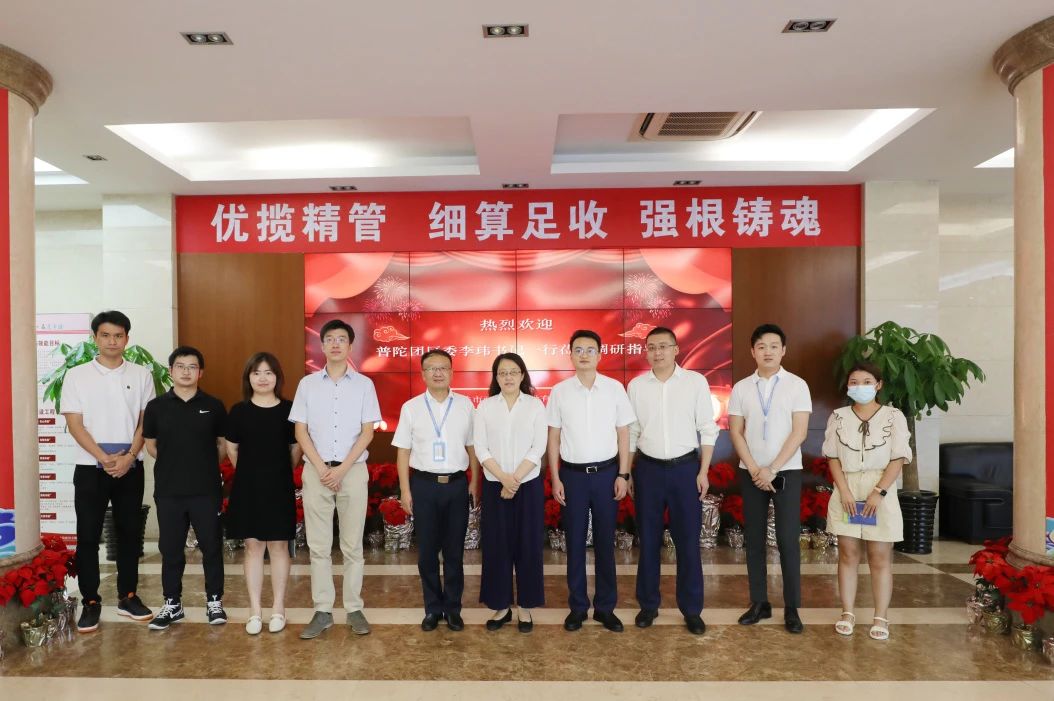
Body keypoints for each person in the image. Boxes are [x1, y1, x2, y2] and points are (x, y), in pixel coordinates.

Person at [62, 310, 155, 632]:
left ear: (127, 339)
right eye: (105, 335)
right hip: (91, 468)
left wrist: (128, 456)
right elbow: (75, 424)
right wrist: (104, 458)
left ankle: (128, 597)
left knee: (129, 534)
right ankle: (90, 601)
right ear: (95, 338)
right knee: (88, 536)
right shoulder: (76, 375)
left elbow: (145, 421)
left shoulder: (141, 374)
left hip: (130, 466)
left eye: (118, 335)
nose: (112, 341)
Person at [290, 319, 380, 639]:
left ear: (351, 346)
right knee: (318, 546)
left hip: (352, 471)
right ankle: (323, 610)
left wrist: (341, 469)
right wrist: (322, 468)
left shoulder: (364, 385)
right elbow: (300, 431)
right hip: (316, 471)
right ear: (322, 345)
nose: (336, 344)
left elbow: (368, 432)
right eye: (330, 339)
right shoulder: (307, 385)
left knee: (352, 545)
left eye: (342, 339)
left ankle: (354, 607)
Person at [627, 327, 718, 635]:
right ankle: (648, 605)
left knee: (688, 542)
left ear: (676, 349)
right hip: (648, 470)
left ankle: (691, 609)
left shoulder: (695, 382)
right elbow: (632, 432)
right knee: (648, 541)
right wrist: (627, 472)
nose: (657, 352)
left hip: (685, 470)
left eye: (663, 346)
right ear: (646, 352)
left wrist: (703, 471)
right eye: (652, 347)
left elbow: (707, 428)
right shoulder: (637, 386)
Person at [547, 330, 635, 633]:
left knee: (605, 543)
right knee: (573, 543)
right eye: (578, 350)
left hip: (607, 474)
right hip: (572, 476)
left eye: (590, 350)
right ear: (570, 354)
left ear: (600, 354)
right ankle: (578, 607)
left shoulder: (614, 389)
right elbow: (554, 437)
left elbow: (624, 433)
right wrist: (556, 477)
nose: (584, 355)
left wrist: (623, 474)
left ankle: (605, 608)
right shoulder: (560, 392)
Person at [728, 323, 811, 634]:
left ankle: (792, 608)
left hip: (786, 471)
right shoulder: (741, 388)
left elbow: (799, 432)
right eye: (761, 346)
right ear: (753, 351)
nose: (768, 351)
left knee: (788, 540)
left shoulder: (797, 385)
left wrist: (772, 468)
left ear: (783, 350)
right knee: (754, 541)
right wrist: (754, 468)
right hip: (751, 471)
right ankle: (759, 602)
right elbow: (736, 431)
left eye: (774, 346)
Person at [823, 361, 911, 641]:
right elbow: (832, 458)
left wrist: (879, 492)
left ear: (878, 385)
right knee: (848, 554)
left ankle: (880, 616)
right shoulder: (838, 417)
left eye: (866, 382)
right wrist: (845, 491)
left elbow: (898, 458)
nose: (859, 387)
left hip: (880, 489)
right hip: (847, 488)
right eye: (853, 382)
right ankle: (847, 612)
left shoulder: (894, 416)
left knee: (879, 556)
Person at [393, 349, 479, 632]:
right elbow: (403, 452)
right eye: (432, 368)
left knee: (454, 552)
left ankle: (453, 609)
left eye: (443, 367)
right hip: (424, 486)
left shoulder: (466, 405)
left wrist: (474, 482)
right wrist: (405, 490)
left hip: (456, 485)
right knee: (427, 553)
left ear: (452, 372)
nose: (438, 373)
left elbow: (472, 447)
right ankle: (432, 608)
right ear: (423, 374)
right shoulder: (411, 407)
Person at [142, 346, 228, 630]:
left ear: (200, 372)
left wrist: (201, 464)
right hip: (169, 490)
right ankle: (172, 603)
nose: (186, 371)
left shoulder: (214, 405)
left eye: (192, 367)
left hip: (206, 490)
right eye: (181, 366)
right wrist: (175, 462)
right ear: (171, 371)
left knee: (211, 547)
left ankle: (214, 601)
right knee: (170, 549)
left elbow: (222, 446)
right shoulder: (156, 407)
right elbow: (151, 445)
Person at [224, 352, 302, 635]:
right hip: (248, 487)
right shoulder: (239, 411)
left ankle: (279, 608)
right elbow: (232, 448)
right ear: (249, 378)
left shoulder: (290, 410)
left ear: (277, 377)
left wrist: (278, 471)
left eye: (269, 372)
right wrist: (250, 471)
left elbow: (296, 448)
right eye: (256, 372)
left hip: (279, 485)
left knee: (279, 546)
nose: (263, 378)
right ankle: (255, 610)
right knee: (253, 547)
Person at [474, 353, 547, 633]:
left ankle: (525, 607)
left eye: (513, 372)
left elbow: (538, 447)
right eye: (502, 372)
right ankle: (501, 606)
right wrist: (504, 479)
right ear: (496, 377)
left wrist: (513, 480)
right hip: (495, 486)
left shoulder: (535, 405)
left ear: (522, 375)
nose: (508, 377)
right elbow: (481, 448)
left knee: (528, 545)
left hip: (527, 486)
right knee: (497, 546)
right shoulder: (485, 407)